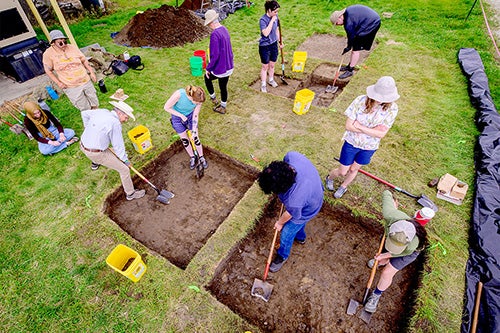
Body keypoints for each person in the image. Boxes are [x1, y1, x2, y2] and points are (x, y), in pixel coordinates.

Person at [325, 76, 399, 199]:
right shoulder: (360, 101)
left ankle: (343, 186)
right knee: (343, 171)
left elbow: (381, 134)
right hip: (352, 142)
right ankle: (330, 177)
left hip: (370, 147)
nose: (381, 100)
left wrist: (360, 127)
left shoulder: (392, 108)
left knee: (354, 169)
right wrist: (372, 131)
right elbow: (349, 126)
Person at [258, 151, 324, 272]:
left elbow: (290, 214)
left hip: (310, 207)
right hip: (314, 189)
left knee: (287, 233)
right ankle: (301, 237)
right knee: (297, 227)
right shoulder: (292, 156)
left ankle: (282, 256)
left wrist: (280, 223)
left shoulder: (294, 200)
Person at [364, 190, 428, 313]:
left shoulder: (414, 244)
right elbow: (386, 192)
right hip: (394, 238)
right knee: (383, 257)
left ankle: (376, 295)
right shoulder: (390, 214)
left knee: (387, 272)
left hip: (407, 254)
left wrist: (385, 255)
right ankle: (382, 262)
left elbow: (402, 253)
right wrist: (392, 200)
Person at [80, 101, 145, 201]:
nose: (126, 120)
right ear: (120, 113)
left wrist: (87, 128)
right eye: (126, 117)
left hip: (84, 144)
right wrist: (125, 161)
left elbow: (84, 114)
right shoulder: (114, 123)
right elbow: (118, 145)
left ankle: (95, 163)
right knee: (124, 169)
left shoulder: (102, 111)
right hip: (96, 153)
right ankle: (130, 193)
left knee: (114, 152)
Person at [43, 30, 99, 111]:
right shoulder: (48, 54)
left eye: (65, 42)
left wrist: (91, 72)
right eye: (60, 43)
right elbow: (48, 71)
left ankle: (97, 115)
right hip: (71, 86)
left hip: (85, 80)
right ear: (53, 43)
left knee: (94, 101)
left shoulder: (72, 47)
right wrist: (59, 83)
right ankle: (89, 119)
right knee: (83, 107)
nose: (64, 44)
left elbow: (84, 60)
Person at [330, 5, 381, 79]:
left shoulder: (348, 23)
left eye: (337, 23)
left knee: (356, 48)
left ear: (340, 17)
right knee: (355, 43)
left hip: (372, 23)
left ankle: (350, 70)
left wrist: (348, 47)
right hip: (368, 20)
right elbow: (351, 35)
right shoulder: (348, 13)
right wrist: (349, 46)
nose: (338, 25)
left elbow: (351, 36)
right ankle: (349, 66)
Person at [164, 85, 208, 170]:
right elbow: (166, 107)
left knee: (195, 138)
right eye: (197, 103)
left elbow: (195, 115)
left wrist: (194, 130)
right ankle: (192, 157)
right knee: (185, 140)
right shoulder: (179, 94)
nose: (199, 104)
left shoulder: (199, 99)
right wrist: (180, 115)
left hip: (190, 116)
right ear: (192, 98)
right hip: (177, 118)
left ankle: (201, 157)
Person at [203, 9, 234, 115]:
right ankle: (223, 105)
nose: (209, 26)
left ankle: (214, 99)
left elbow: (214, 55)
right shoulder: (225, 29)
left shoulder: (215, 34)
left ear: (211, 22)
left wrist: (208, 68)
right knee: (223, 86)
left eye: (208, 24)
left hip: (221, 68)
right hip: (229, 66)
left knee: (207, 78)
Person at [258, 0, 284, 93]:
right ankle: (263, 84)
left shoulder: (275, 18)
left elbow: (277, 30)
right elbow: (265, 33)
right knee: (265, 66)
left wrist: (280, 41)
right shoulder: (263, 20)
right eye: (275, 11)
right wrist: (272, 21)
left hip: (273, 45)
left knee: (272, 65)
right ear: (269, 10)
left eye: (277, 11)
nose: (276, 13)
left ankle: (271, 79)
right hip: (265, 46)